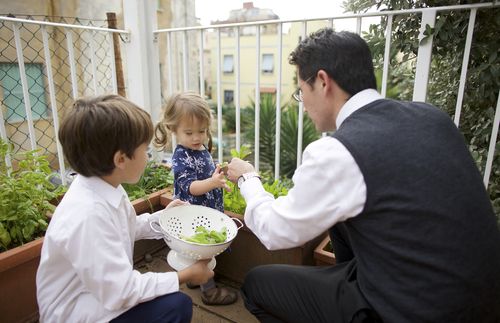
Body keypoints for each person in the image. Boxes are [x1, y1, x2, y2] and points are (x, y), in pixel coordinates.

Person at [226, 28, 500, 323]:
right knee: (342, 223)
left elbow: (275, 230)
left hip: (415, 310)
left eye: (300, 92)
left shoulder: (339, 151)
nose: (302, 103)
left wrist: (248, 179)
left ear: (322, 81)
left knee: (256, 284)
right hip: (482, 299)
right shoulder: (434, 117)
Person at [36, 95, 214, 323]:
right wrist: (185, 275)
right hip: (77, 313)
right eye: (145, 151)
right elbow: (121, 292)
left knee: (175, 305)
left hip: (99, 295)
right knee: (176, 307)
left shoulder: (103, 186)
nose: (148, 158)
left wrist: (167, 218)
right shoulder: (88, 216)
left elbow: (128, 225)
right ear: (121, 159)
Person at [153, 92, 238, 306]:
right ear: (173, 130)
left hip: (206, 211)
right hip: (193, 216)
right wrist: (212, 183)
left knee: (200, 253)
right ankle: (209, 291)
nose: (197, 137)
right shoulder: (181, 155)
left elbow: (206, 173)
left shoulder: (199, 148)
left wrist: (219, 174)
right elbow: (190, 187)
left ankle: (194, 278)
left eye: (201, 131)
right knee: (202, 251)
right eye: (189, 132)